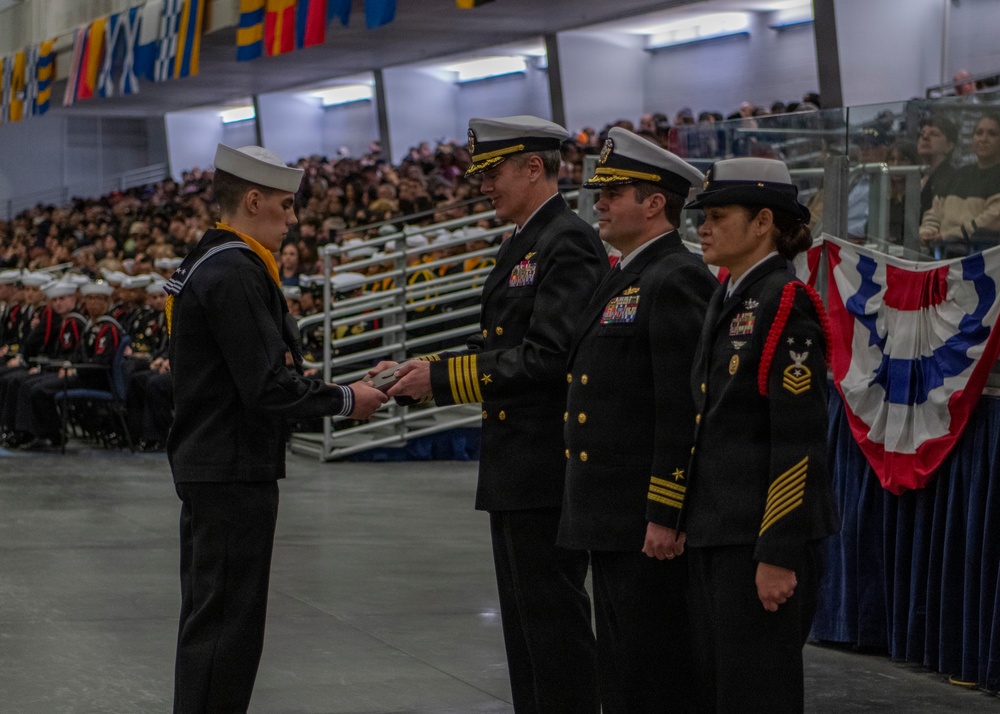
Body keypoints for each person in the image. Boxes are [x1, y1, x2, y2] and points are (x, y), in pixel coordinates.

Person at [374, 115, 609, 713]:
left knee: (554, 630)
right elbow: (503, 345)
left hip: (544, 466)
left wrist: (443, 380)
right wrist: (427, 368)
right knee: (527, 631)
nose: (483, 185)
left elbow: (549, 357)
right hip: (515, 467)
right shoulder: (525, 239)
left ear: (533, 167)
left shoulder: (567, 240)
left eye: (492, 172)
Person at [167, 144, 387, 714]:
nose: (293, 220)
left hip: (215, 461)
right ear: (252, 199)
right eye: (285, 206)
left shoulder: (207, 259)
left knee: (213, 621)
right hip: (231, 467)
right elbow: (265, 386)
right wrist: (346, 399)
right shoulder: (236, 270)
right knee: (226, 632)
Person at [557, 128, 716, 713]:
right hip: (609, 513)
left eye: (613, 193)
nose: (599, 203)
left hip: (642, 520)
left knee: (654, 672)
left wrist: (664, 512)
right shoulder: (628, 272)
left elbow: (682, 408)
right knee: (623, 668)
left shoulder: (676, 276)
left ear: (653, 204)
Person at [680, 158, 840, 713]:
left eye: (718, 216)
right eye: (703, 217)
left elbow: (797, 442)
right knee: (722, 690)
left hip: (757, 538)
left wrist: (777, 553)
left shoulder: (785, 301)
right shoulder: (732, 294)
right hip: (719, 530)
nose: (703, 228)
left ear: (763, 221)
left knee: (757, 694)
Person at [919, 113, 1000, 257]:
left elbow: (991, 221)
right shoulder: (959, 175)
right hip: (942, 254)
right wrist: (927, 233)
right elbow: (934, 212)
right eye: (979, 133)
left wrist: (946, 236)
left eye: (992, 134)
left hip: (982, 259)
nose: (984, 139)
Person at [916, 115, 958, 219]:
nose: (925, 137)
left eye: (934, 134)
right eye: (922, 133)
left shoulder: (954, 180)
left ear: (949, 146)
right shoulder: (913, 176)